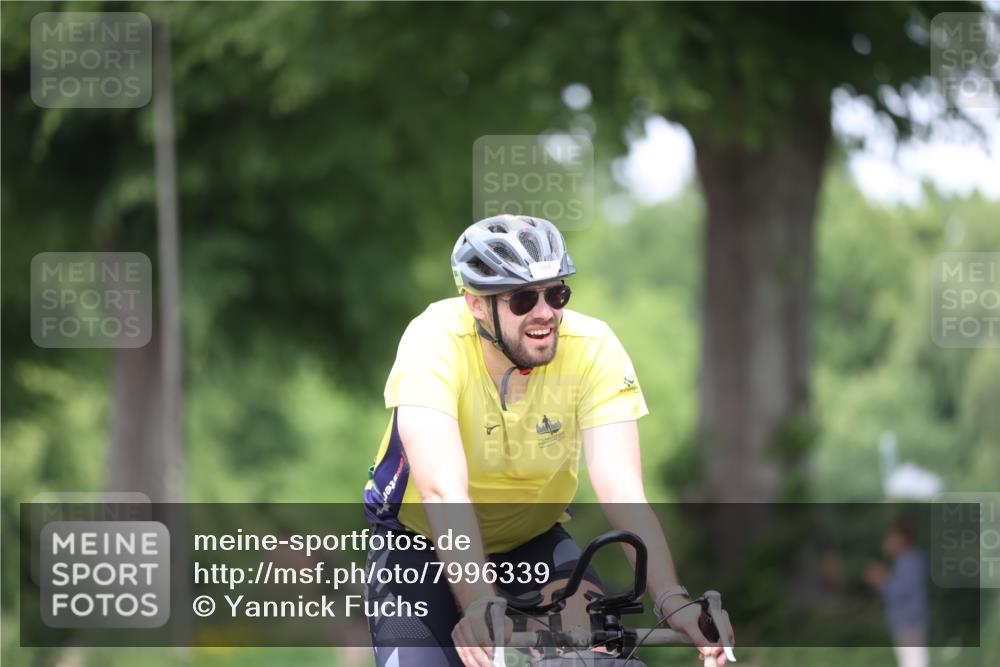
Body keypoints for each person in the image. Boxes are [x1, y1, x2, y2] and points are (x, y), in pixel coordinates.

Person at [362, 214, 734, 667]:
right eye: (522, 298)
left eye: (556, 293)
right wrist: (479, 601)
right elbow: (444, 491)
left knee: (596, 657)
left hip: (533, 541)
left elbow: (622, 491)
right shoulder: (433, 341)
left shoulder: (593, 346)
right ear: (476, 304)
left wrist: (673, 600)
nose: (544, 313)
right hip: (420, 546)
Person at [865, 518, 931, 667]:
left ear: (901, 539)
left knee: (914, 663)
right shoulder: (906, 562)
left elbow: (896, 593)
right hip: (907, 625)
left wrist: (880, 579)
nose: (886, 541)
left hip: (910, 625)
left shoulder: (909, 562)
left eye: (890, 537)